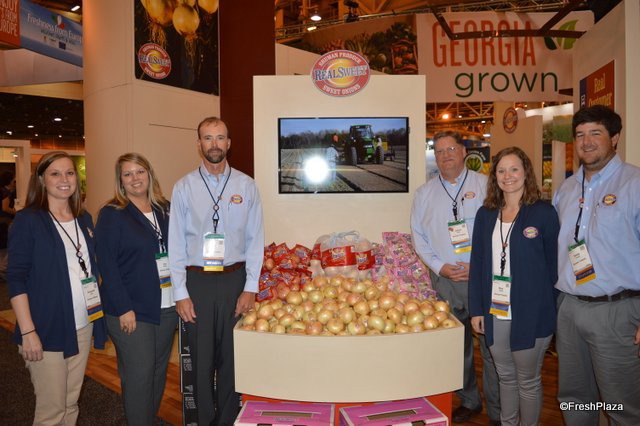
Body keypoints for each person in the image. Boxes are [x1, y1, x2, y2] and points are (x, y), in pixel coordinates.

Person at [169, 116, 265, 425]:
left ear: (229, 143)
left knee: (232, 360)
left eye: (220, 137)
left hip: (235, 281)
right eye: (208, 138)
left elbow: (255, 240)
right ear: (199, 144)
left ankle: (228, 420)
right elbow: (176, 244)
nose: (214, 144)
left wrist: (250, 287)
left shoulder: (246, 186)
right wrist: (180, 293)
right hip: (197, 282)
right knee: (200, 361)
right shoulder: (184, 187)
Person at [553, 105, 640, 425]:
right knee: (575, 398)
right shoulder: (566, 189)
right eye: (580, 135)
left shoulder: (634, 184)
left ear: (614, 138)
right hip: (569, 308)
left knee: (622, 404)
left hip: (616, 311)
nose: (586, 142)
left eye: (595, 133)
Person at [7, 151, 106, 425]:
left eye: (70, 173)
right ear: (41, 179)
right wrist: (28, 331)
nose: (64, 179)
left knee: (70, 403)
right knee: (51, 411)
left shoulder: (83, 218)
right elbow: (16, 278)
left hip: (83, 324)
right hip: (45, 327)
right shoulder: (29, 220)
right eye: (55, 173)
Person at [411, 130, 500, 425]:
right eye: (439, 151)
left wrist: (479, 266)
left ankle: (498, 409)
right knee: (456, 347)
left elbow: (500, 231)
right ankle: (469, 400)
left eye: (451, 149)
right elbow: (419, 238)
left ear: (463, 151)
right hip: (445, 282)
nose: (445, 155)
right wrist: (440, 267)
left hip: (482, 280)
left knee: (491, 346)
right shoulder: (424, 194)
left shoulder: (486, 185)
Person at [469, 147, 559, 426]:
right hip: (495, 310)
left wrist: (549, 310)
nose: (508, 176)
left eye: (514, 169)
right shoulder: (486, 214)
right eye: (501, 170)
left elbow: (555, 267)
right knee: (505, 376)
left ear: (526, 172)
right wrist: (477, 309)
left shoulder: (543, 213)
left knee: (528, 381)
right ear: (494, 176)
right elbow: (478, 263)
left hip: (532, 312)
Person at [96, 153, 177, 425]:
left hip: (166, 305)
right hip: (131, 309)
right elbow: (107, 264)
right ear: (120, 181)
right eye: (127, 174)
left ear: (149, 174)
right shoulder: (113, 213)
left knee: (157, 372)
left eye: (140, 171)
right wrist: (123, 308)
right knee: (139, 375)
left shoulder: (164, 208)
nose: (135, 178)